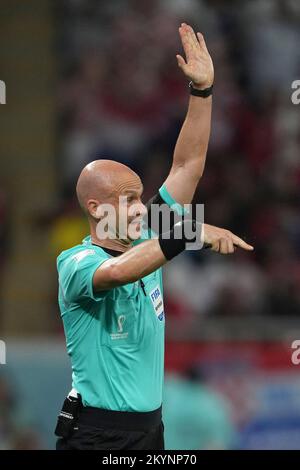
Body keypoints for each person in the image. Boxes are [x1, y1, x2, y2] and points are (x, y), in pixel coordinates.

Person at [55, 23, 253, 451]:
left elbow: (186, 167)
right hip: (94, 435)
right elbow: (123, 271)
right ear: (96, 209)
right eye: (128, 200)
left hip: (151, 432)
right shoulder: (75, 263)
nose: (141, 207)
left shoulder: (149, 233)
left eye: (139, 197)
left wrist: (202, 93)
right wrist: (192, 229)